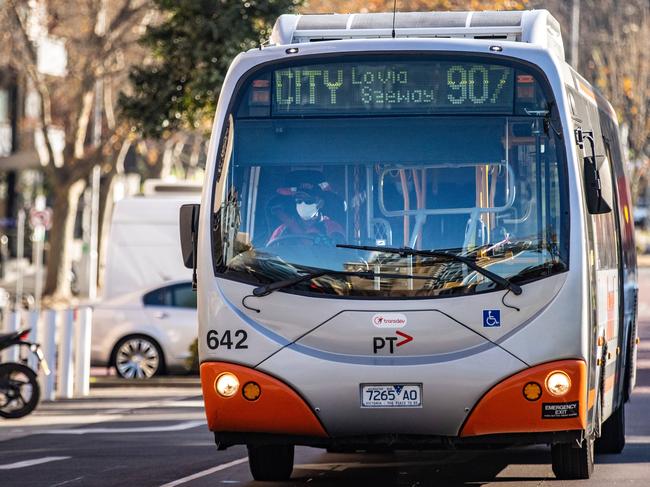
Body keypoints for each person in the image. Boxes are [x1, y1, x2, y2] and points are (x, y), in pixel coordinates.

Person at [267, 174, 344, 246]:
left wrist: (291, 224)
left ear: (321, 203)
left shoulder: (332, 228)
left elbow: (340, 254)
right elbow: (270, 252)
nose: (303, 205)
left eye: (308, 201)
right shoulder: (283, 229)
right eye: (299, 201)